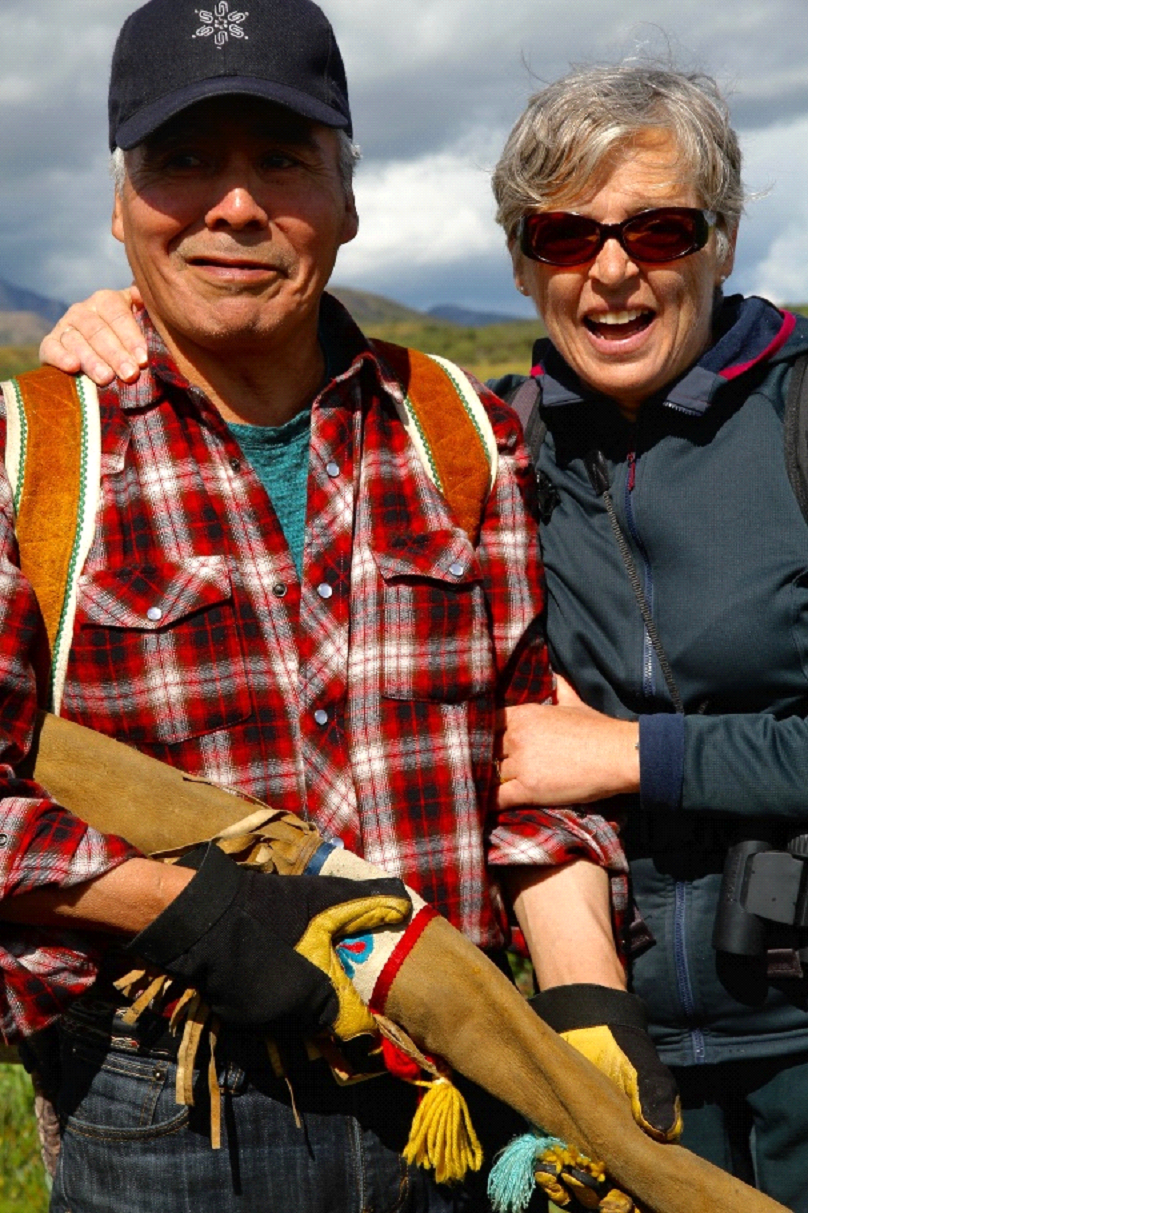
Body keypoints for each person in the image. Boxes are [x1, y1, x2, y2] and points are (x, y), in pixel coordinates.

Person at [39, 60, 808, 1213]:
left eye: (658, 228)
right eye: (561, 234)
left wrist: (633, 774)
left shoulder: (784, 422)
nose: (610, 269)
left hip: (773, 1036)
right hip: (213, 1099)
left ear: (724, 239)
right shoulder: (490, 431)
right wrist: (194, 913)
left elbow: (528, 766)